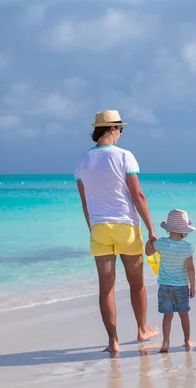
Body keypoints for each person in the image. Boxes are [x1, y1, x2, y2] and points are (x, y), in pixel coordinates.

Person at [74, 110, 159, 353]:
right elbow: (138, 195)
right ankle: (142, 330)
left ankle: (113, 342)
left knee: (106, 287)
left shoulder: (82, 161)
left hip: (99, 228)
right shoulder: (125, 156)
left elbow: (85, 202)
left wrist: (93, 228)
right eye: (120, 128)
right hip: (126, 226)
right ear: (111, 129)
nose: (121, 133)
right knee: (136, 283)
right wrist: (152, 229)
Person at [145, 209, 196, 353]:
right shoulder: (188, 247)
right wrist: (193, 286)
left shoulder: (161, 243)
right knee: (184, 314)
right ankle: (187, 340)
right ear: (184, 231)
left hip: (164, 286)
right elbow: (190, 268)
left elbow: (148, 253)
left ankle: (166, 342)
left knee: (167, 315)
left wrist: (149, 242)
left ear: (168, 229)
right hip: (181, 286)